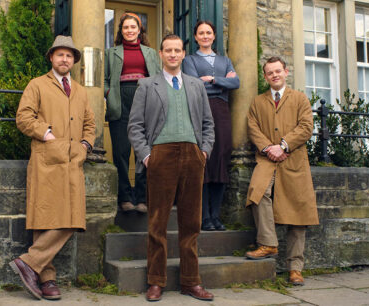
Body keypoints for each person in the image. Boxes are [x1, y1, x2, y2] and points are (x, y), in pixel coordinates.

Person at [128, 34, 215, 302]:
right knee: (157, 222)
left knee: (191, 223)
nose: (174, 54)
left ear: (183, 53)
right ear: (161, 53)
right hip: (160, 156)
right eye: (169, 50)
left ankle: (191, 281)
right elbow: (135, 126)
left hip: (192, 156)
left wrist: (204, 152)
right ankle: (156, 281)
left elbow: (208, 124)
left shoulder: (195, 85)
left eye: (178, 50)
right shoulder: (146, 85)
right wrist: (146, 156)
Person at [10, 35, 95, 300]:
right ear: (51, 57)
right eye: (60, 55)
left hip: (73, 161)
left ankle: (28, 262)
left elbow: (90, 125)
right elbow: (23, 117)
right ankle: (47, 279)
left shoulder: (81, 91)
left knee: (72, 217)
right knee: (45, 217)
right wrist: (45, 133)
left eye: (69, 56)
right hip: (46, 159)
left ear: (74, 61)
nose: (65, 59)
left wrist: (85, 146)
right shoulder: (37, 85)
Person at [243, 56, 319, 286]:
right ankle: (268, 243)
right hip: (267, 159)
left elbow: (306, 127)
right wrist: (268, 148)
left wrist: (284, 145)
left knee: (298, 212)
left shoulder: (300, 99)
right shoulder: (258, 102)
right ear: (265, 77)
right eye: (270, 72)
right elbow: (252, 126)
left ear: (286, 72)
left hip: (293, 158)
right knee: (257, 192)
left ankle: (295, 268)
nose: (274, 75)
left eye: (278, 71)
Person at [182, 20, 239, 231]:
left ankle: (216, 216)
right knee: (203, 159)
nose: (205, 36)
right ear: (195, 37)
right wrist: (223, 81)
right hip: (201, 110)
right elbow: (194, 84)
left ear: (214, 36)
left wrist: (213, 80)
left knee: (221, 158)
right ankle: (204, 217)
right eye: (201, 33)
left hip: (222, 111)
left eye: (208, 33)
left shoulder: (225, 60)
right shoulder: (190, 60)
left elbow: (236, 83)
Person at [105, 13, 161, 213]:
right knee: (121, 151)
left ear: (139, 30)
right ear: (121, 31)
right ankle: (125, 197)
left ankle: (142, 197)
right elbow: (104, 79)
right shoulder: (111, 53)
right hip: (120, 101)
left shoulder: (151, 53)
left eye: (133, 27)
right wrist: (109, 93)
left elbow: (159, 79)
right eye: (125, 27)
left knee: (143, 151)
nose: (129, 30)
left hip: (145, 101)